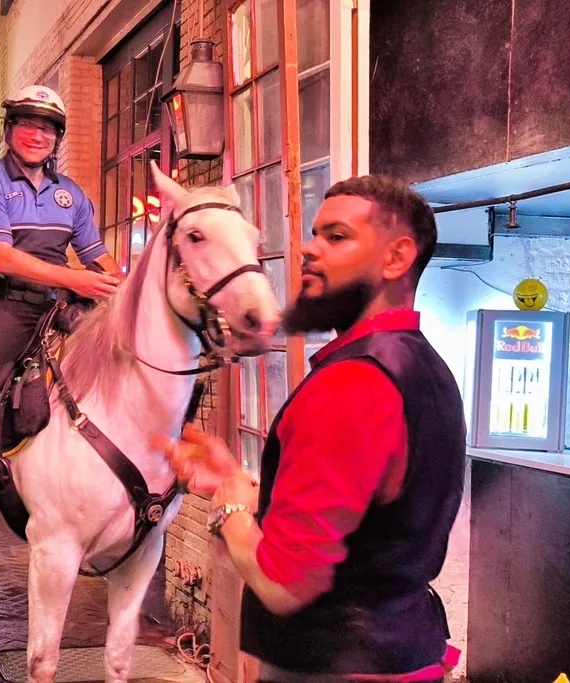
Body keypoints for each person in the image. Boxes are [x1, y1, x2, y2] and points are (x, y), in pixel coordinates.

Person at [163, 176, 465, 682]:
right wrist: (238, 479)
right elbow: (363, 520)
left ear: (396, 259)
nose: (308, 248)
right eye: (313, 233)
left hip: (333, 666)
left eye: (336, 236)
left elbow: (283, 585)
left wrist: (232, 505)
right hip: (400, 650)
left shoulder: (351, 383)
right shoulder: (424, 366)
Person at [0, 84, 123, 560]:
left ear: (58, 138)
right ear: (11, 130)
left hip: (61, 305)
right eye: (28, 124)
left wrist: (128, 290)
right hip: (11, 305)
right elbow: (0, 257)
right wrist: (73, 279)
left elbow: (98, 257)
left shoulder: (70, 194)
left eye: (48, 128)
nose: (38, 135)